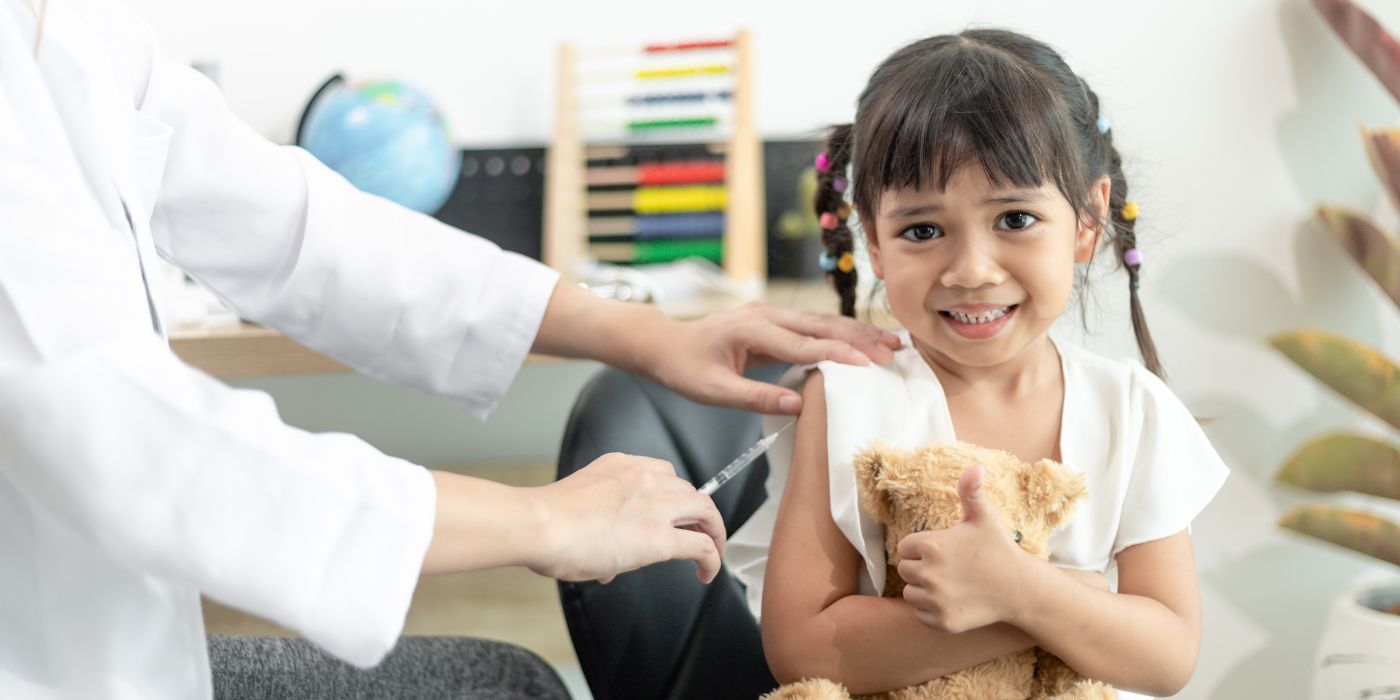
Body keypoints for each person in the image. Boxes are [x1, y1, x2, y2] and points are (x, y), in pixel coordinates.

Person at [0, 1, 903, 697]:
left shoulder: (67, 30)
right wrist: (541, 522)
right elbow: (128, 448)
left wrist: (647, 334)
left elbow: (304, 231)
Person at [724, 29, 1229, 699]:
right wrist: (1045, 602)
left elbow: (1166, 656)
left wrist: (1019, 589)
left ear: (1086, 222)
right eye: (923, 231)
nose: (971, 270)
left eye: (1015, 218)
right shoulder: (846, 398)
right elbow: (803, 647)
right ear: (873, 242)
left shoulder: (1130, 410)